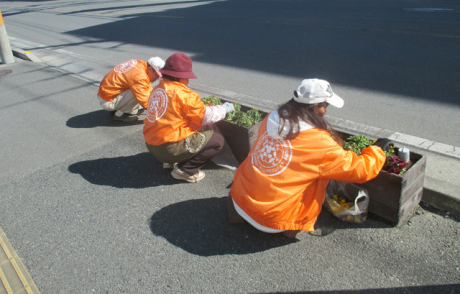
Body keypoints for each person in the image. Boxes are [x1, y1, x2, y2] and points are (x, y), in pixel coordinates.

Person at [229, 78, 389, 237]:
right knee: (320, 176)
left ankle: (246, 214)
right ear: (315, 106)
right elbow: (360, 170)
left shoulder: (273, 117)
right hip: (274, 219)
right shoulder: (317, 141)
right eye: (325, 105)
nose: (325, 110)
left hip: (241, 197)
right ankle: (291, 226)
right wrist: (378, 150)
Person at [143, 53, 234, 183]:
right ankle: (185, 170)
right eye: (187, 78)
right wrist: (224, 109)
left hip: (151, 143)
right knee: (217, 141)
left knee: (188, 127)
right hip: (167, 148)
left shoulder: (158, 89)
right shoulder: (182, 94)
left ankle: (169, 161)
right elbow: (206, 116)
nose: (188, 81)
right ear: (181, 78)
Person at [98, 57, 165, 122]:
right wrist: (163, 113)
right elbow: (145, 102)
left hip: (106, 94)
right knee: (138, 92)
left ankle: (119, 106)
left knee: (140, 89)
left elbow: (147, 87)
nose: (157, 78)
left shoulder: (140, 64)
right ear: (150, 69)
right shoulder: (139, 76)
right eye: (157, 75)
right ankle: (123, 113)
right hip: (107, 100)